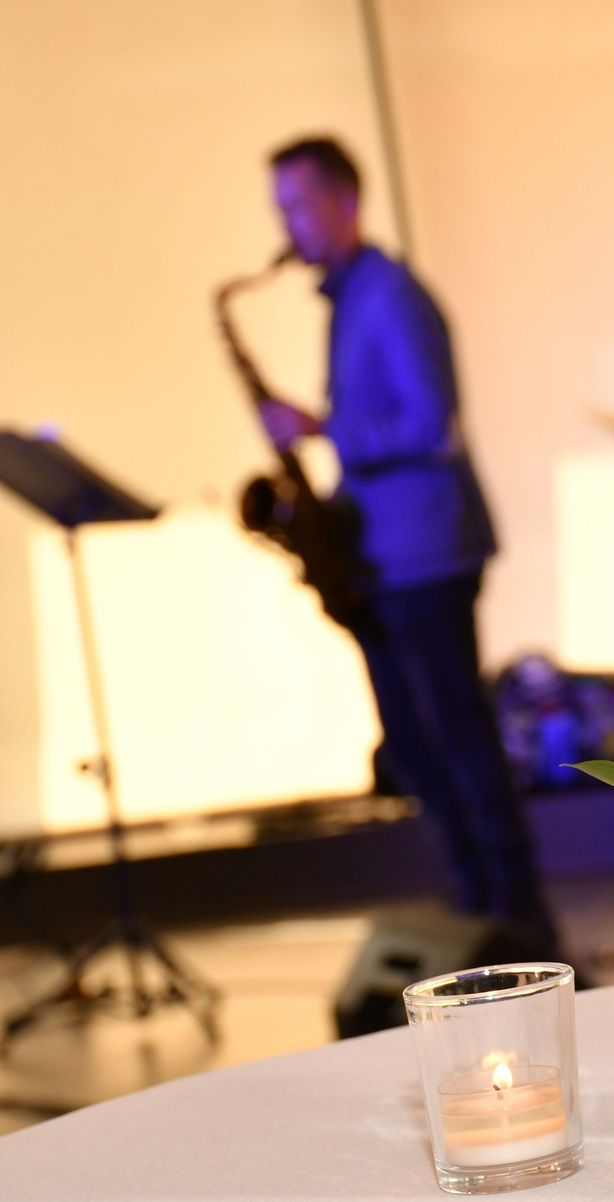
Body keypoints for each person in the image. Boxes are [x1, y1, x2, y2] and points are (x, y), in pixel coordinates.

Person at [254, 135, 549, 934]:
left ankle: (516, 913)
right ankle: (474, 901)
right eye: (280, 209)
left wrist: (321, 425)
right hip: (389, 556)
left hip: (427, 552)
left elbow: (430, 424)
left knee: (455, 737)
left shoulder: (389, 294)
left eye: (297, 206)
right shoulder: (353, 299)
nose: (288, 225)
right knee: (418, 745)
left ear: (346, 202)